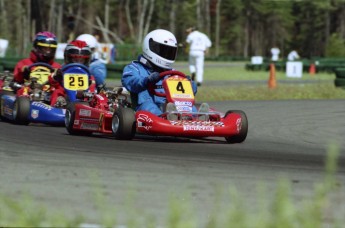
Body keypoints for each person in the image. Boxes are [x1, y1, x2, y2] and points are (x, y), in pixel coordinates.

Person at [121, 29, 208, 120]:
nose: (166, 55)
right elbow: (131, 83)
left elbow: (184, 94)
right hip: (144, 105)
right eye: (163, 51)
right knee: (149, 106)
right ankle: (165, 118)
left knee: (185, 105)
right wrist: (147, 80)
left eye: (170, 52)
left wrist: (190, 85)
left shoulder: (171, 72)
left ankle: (195, 118)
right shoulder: (134, 68)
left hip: (169, 104)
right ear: (150, 47)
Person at [48, 40, 96, 107]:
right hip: (65, 97)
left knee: (96, 97)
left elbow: (92, 91)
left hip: (84, 100)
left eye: (81, 60)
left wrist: (89, 85)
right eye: (75, 60)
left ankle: (92, 110)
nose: (78, 63)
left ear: (86, 60)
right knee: (57, 92)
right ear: (68, 58)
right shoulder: (61, 71)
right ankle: (56, 107)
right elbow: (51, 80)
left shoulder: (89, 77)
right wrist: (56, 77)